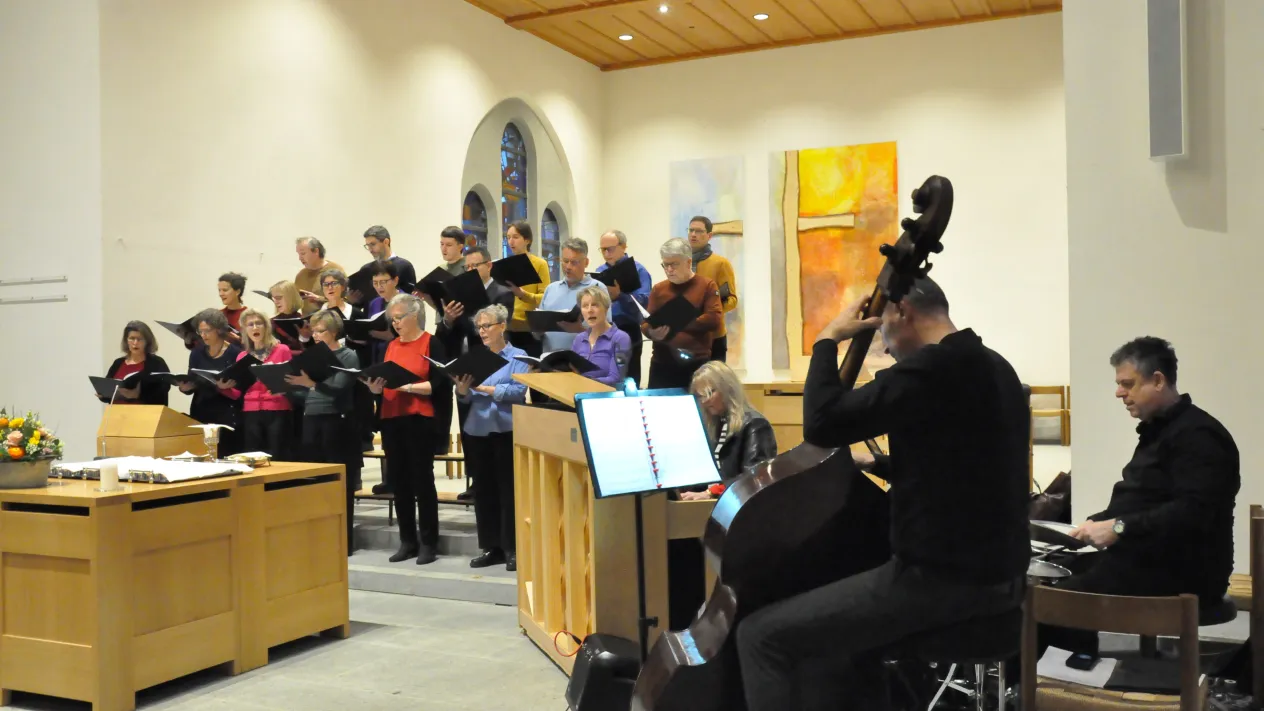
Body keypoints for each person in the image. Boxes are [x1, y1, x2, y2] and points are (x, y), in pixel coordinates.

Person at [735, 278, 1030, 711]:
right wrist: (879, 465)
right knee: (850, 645)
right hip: (1001, 582)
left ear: (901, 310)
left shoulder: (931, 369)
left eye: (882, 329)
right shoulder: (996, 367)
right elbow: (971, 463)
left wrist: (826, 341)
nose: (886, 347)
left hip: (937, 583)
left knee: (760, 636)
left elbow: (823, 422)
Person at [1038, 336, 1239, 657]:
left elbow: (1192, 514)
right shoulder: (1159, 430)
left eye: (1127, 384)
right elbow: (1144, 501)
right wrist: (1097, 524)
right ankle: (1070, 674)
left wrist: (1117, 528)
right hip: (1151, 557)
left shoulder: (1199, 436)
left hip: (1183, 572)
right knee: (1051, 575)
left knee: (1048, 604)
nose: (1119, 393)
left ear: (1158, 380)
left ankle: (1057, 689)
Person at [667, 361, 777, 630]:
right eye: (699, 396)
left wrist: (708, 491)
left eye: (709, 393)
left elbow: (754, 478)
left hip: (741, 518)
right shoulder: (715, 425)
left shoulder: (755, 425)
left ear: (727, 389)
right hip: (714, 511)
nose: (704, 402)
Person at [364, 294, 449, 565]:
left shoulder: (431, 343)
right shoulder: (391, 346)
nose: (396, 323)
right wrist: (376, 389)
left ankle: (428, 543)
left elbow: (438, 384)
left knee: (422, 482)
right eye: (393, 318)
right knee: (399, 483)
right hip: (392, 418)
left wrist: (407, 387)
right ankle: (407, 541)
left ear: (415, 315)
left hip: (419, 419)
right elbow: (385, 380)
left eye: (399, 317)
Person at [434, 246, 514, 502]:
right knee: (468, 426)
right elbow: (445, 334)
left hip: (491, 365)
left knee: (490, 424)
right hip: (464, 364)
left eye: (475, 266)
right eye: (466, 267)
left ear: (488, 265)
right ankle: (473, 480)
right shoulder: (457, 295)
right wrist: (447, 319)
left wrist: (467, 316)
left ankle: (491, 481)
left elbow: (495, 329)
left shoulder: (501, 293)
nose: (469, 271)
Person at [453, 304, 529, 571]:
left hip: (506, 428)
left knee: (508, 490)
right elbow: (466, 395)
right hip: (478, 428)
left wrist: (486, 388)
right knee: (483, 491)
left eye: (487, 326)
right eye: (479, 327)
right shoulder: (475, 357)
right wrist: (462, 390)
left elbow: (519, 391)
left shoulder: (519, 356)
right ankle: (491, 547)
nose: (482, 331)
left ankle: (512, 547)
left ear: (502, 326)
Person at [285, 310, 362, 553]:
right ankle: (318, 537)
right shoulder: (311, 356)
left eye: (321, 331)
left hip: (337, 421)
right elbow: (302, 394)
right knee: (315, 480)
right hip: (312, 419)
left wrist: (311, 384)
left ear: (334, 332)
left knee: (339, 483)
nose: (316, 336)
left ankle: (343, 541)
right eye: (314, 331)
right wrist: (286, 387)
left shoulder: (348, 355)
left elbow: (339, 387)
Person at [642, 238, 723, 390]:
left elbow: (714, 319)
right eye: (665, 265)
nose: (669, 269)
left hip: (696, 364)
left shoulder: (707, 285)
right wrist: (652, 332)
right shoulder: (659, 289)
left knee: (697, 410)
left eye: (674, 264)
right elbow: (646, 323)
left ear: (688, 262)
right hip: (662, 363)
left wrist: (677, 323)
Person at [179, 309, 245, 457]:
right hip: (201, 409)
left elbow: (241, 387)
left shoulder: (235, 353)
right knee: (203, 455)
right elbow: (193, 379)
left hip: (226, 412)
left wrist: (223, 388)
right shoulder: (196, 353)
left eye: (207, 331)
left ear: (220, 330)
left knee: (225, 455)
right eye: (200, 331)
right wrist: (186, 388)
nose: (203, 335)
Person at [232, 309, 294, 459]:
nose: (255, 328)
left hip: (277, 408)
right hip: (251, 411)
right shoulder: (242, 356)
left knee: (277, 455)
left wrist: (283, 389)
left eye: (259, 323)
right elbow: (239, 391)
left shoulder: (282, 350)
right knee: (253, 456)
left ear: (266, 327)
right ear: (245, 330)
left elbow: (293, 380)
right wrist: (223, 387)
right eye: (250, 324)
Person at [596, 229, 652, 386]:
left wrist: (620, 295)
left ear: (624, 246)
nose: (606, 253)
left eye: (610, 249)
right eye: (603, 249)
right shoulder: (600, 271)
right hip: (604, 331)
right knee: (605, 376)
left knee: (629, 378)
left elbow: (644, 304)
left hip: (629, 329)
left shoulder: (638, 270)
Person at [537, 238, 610, 353]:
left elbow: (607, 332)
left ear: (586, 262)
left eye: (574, 262)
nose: (568, 267)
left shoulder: (597, 288)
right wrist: (537, 330)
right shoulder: (551, 289)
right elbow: (538, 331)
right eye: (565, 261)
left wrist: (580, 330)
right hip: (550, 358)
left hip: (585, 358)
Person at [687, 216, 738, 363]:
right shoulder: (682, 263)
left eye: (698, 231)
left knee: (714, 382)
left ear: (709, 235)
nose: (693, 234)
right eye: (691, 230)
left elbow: (732, 300)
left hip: (713, 335)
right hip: (688, 335)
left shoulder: (720, 263)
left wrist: (711, 309)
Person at [503, 221, 552, 357]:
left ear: (527, 240)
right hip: (507, 326)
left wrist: (523, 294)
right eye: (508, 237)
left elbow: (545, 298)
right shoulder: (505, 265)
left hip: (528, 327)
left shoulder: (539, 264)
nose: (511, 241)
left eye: (516, 237)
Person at [570, 285, 631, 388]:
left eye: (595, 305)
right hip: (577, 395)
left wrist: (584, 381)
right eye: (585, 306)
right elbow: (571, 372)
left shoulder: (620, 338)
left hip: (604, 398)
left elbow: (616, 378)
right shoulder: (579, 339)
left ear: (606, 308)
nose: (589, 310)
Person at [103, 321, 171, 406]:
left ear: (147, 341)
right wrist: (103, 394)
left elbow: (163, 391)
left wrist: (138, 395)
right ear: (126, 340)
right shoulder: (118, 363)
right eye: (132, 338)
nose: (135, 343)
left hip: (145, 416)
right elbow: (108, 389)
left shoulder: (157, 363)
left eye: (139, 339)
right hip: (117, 415)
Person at [351, 225, 416, 306]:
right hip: (371, 315)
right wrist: (352, 300)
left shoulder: (404, 266)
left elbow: (410, 299)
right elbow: (361, 303)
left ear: (386, 242)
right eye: (367, 246)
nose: (370, 249)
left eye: (373, 244)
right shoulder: (366, 269)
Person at [365, 259, 402, 365]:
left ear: (395, 280)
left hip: (400, 357)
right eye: (375, 283)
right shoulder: (374, 303)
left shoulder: (408, 302)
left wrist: (373, 333)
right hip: (378, 357)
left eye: (383, 282)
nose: (379, 287)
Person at [294, 237, 344, 315]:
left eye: (303, 253)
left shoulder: (335, 270)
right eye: (299, 254)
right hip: (307, 323)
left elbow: (345, 300)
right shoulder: (301, 275)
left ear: (316, 251)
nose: (300, 258)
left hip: (331, 320)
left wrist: (319, 299)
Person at [268, 280, 307, 353]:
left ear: (291, 297)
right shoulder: (271, 322)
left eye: (279, 298)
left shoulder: (305, 321)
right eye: (274, 298)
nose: (275, 302)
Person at [218, 272, 248, 344]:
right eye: (219, 290)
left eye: (225, 290)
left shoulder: (249, 316)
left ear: (237, 291)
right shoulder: (217, 315)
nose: (220, 294)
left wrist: (239, 340)